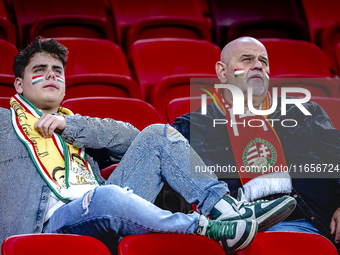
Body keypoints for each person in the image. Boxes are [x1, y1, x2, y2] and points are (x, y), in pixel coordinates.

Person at [0, 37, 296, 254]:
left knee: (157, 133)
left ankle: (225, 210)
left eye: (58, 70)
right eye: (40, 69)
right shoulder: (3, 124)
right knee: (107, 197)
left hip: (106, 211)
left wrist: (72, 126)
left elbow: (134, 138)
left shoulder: (77, 125)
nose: (51, 74)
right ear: (19, 85)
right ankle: (206, 228)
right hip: (47, 223)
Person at [172, 36, 340, 252]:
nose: (258, 65)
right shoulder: (192, 126)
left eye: (263, 61)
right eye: (247, 59)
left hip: (316, 226)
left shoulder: (304, 112)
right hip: (237, 236)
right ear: (222, 72)